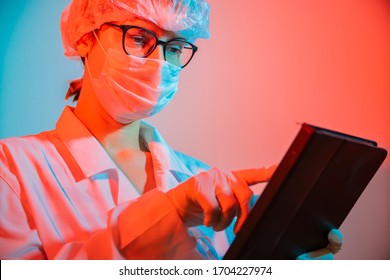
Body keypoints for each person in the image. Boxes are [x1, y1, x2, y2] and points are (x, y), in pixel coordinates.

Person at [0, 0, 343, 260]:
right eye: (139, 38)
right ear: (86, 38)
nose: (159, 62)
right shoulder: (11, 169)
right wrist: (169, 215)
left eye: (175, 48)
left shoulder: (204, 180)